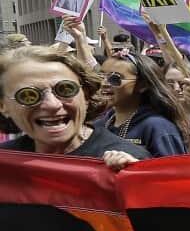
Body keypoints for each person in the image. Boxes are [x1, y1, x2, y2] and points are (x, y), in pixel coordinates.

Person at [0, 45, 149, 170]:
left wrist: (136, 182)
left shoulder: (130, 161)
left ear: (85, 95)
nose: (52, 104)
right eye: (28, 95)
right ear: (3, 106)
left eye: (65, 89)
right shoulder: (5, 165)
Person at [96, 49, 190, 157]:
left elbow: (174, 171)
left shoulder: (158, 128)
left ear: (142, 85)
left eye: (115, 78)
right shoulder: (99, 125)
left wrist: (135, 165)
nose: (104, 83)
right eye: (101, 76)